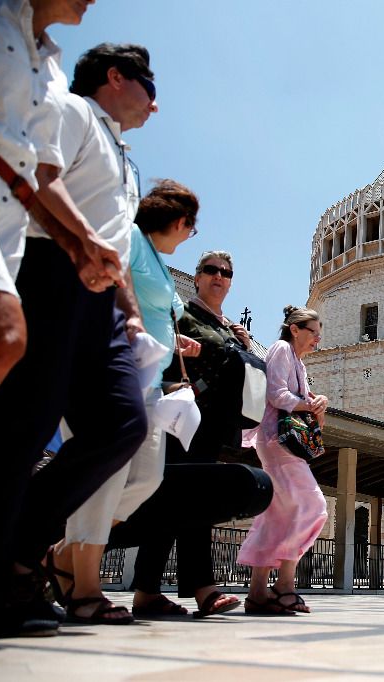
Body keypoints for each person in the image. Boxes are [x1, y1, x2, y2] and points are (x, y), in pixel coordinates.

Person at [0, 40, 157, 639]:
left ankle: (17, 550)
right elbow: (39, 179)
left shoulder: (122, 153)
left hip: (98, 294)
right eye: (150, 87)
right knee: (21, 426)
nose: (155, 105)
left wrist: (129, 311)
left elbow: (117, 240)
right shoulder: (70, 110)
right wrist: (82, 243)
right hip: (49, 266)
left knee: (121, 426)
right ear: (116, 77)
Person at [0, 0, 110, 470]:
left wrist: (76, 243)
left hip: (5, 224)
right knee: (0, 338)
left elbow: (38, 172)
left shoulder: (53, 69)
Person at [46, 180, 201, 624]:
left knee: (146, 479)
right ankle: (85, 588)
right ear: (177, 222)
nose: (191, 235)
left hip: (150, 384)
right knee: (108, 479)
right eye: (191, 227)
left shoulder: (160, 261)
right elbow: (119, 287)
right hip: (112, 371)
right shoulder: (130, 238)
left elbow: (156, 313)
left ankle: (61, 553)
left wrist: (177, 341)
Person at [130, 251, 252, 618]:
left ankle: (147, 592)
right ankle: (203, 589)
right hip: (181, 420)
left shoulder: (228, 326)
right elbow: (165, 358)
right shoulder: (182, 313)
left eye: (226, 272)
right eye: (210, 270)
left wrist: (243, 346)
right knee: (184, 501)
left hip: (211, 427)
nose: (219, 276)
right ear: (197, 277)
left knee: (177, 503)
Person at [240, 305, 328, 615]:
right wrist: (307, 404)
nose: (317, 338)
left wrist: (318, 402)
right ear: (295, 329)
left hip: (281, 443)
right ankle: (285, 583)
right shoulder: (280, 349)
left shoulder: (300, 364)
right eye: (313, 332)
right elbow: (277, 395)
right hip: (276, 441)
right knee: (314, 506)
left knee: (276, 513)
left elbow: (298, 401)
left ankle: (257, 593)